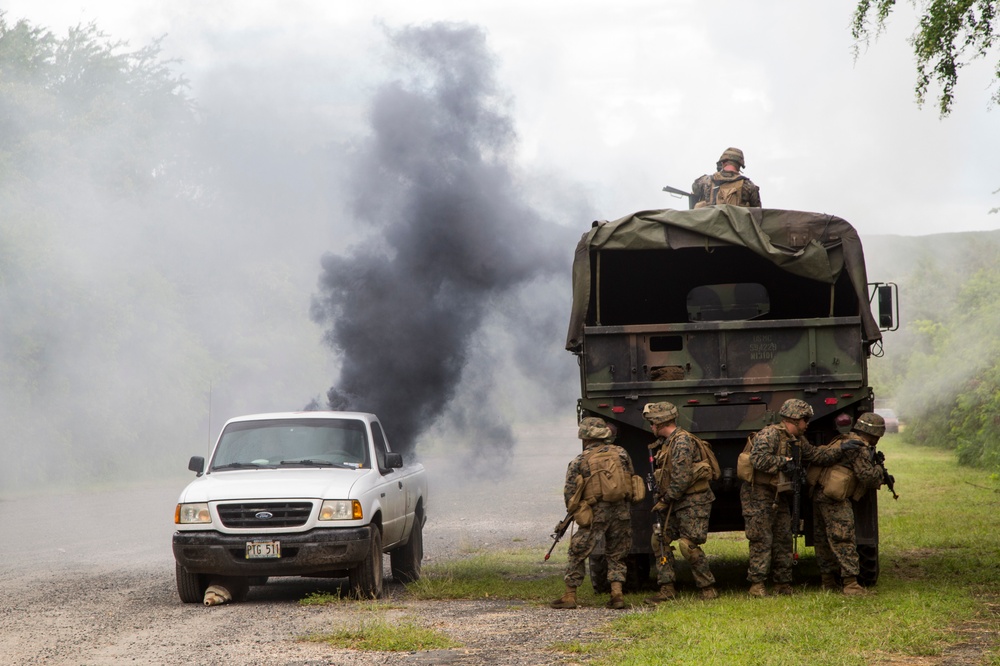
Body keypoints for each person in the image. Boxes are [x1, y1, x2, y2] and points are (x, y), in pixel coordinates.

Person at [740, 399, 860, 597]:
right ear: (794, 420)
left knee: (783, 539)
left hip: (779, 494)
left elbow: (815, 455)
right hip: (759, 495)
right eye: (805, 420)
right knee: (761, 539)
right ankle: (757, 585)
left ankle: (783, 584)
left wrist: (841, 449)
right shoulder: (769, 434)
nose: (807, 424)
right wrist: (783, 462)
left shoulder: (797, 440)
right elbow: (757, 459)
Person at [550, 416, 636, 610]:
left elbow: (570, 495)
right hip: (621, 511)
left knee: (578, 551)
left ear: (584, 437)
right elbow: (630, 477)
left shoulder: (579, 460)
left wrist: (576, 511)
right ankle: (617, 594)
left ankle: (570, 596)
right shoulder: (621, 453)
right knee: (616, 554)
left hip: (595, 514)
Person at [642, 401, 719, 602]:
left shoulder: (682, 442)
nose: (651, 427)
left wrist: (665, 500)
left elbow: (682, 477)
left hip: (693, 501)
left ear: (660, 422)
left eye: (652, 423)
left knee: (688, 545)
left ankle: (708, 588)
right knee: (659, 540)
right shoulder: (668, 443)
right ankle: (667, 589)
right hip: (677, 501)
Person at [808, 412, 886, 596]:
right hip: (834, 498)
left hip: (819, 494)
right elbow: (866, 477)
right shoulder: (860, 447)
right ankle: (851, 584)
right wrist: (879, 472)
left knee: (823, 540)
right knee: (843, 538)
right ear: (873, 433)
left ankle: (828, 581)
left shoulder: (843, 439)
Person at [690, 147, 761, 208]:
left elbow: (695, 189)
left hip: (710, 223)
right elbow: (758, 212)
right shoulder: (749, 186)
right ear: (739, 165)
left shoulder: (706, 181)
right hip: (736, 224)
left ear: (722, 162)